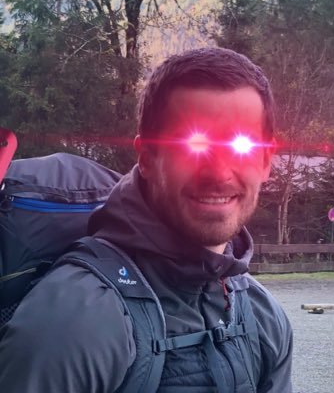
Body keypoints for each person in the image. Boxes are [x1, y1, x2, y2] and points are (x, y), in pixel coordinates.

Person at [0, 47, 293, 392]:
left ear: (266, 161)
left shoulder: (262, 316)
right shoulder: (73, 323)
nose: (218, 173)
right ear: (148, 158)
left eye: (240, 145)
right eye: (194, 143)